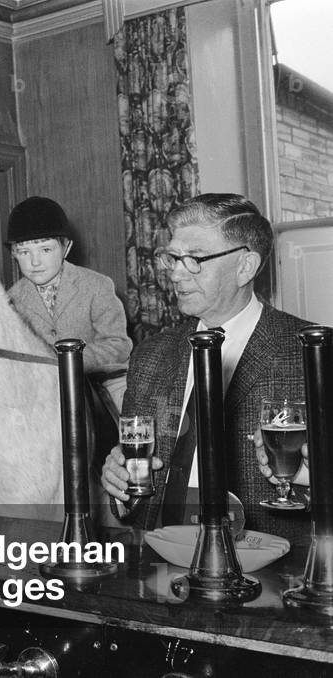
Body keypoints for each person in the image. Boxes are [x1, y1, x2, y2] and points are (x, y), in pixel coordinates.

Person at [100, 193, 312, 544]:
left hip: (273, 570)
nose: (177, 274)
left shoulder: (310, 353)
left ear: (246, 266)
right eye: (173, 258)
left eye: (195, 259)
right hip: (163, 563)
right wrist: (120, 485)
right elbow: (134, 490)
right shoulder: (151, 355)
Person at [5, 196, 132, 409]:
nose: (35, 262)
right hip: (42, 394)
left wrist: (68, 361)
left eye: (46, 250)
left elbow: (119, 345)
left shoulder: (97, 285)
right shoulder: (11, 300)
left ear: (66, 248)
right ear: (14, 254)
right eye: (24, 252)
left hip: (100, 389)